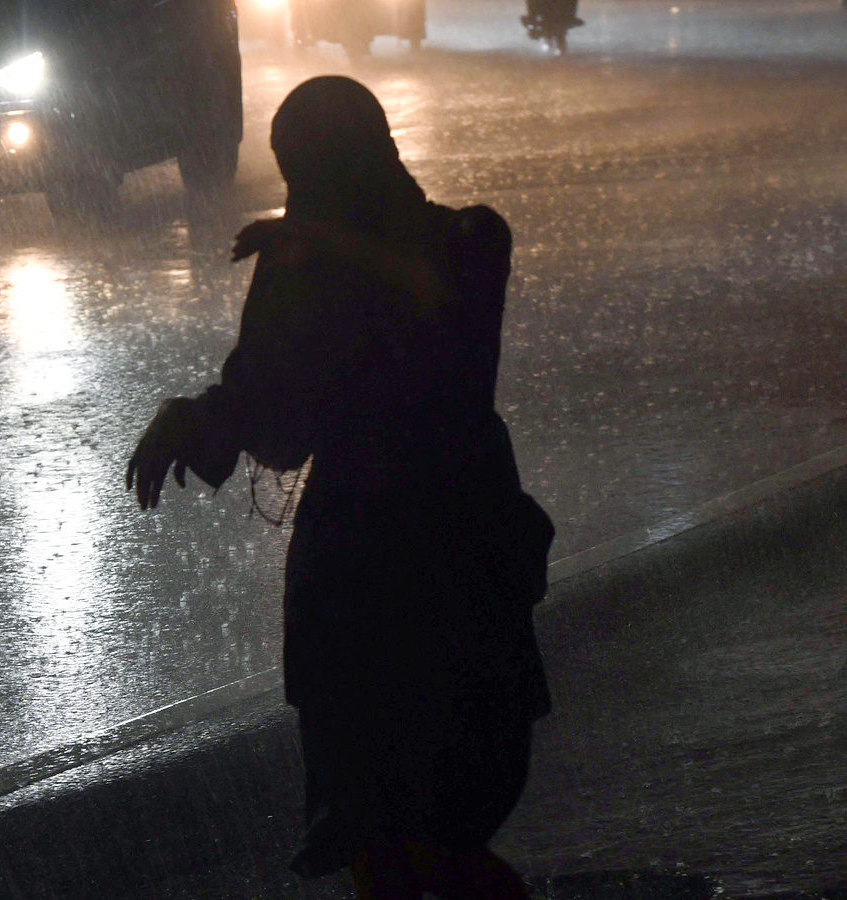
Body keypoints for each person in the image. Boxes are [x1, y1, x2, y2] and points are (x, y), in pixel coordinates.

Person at [127, 75, 554, 900]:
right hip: (371, 570)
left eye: (310, 169)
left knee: (434, 837)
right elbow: (277, 418)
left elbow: (441, 303)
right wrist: (197, 417)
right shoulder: (311, 257)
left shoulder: (466, 238)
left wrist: (324, 247)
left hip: (436, 561)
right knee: (381, 838)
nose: (302, 193)